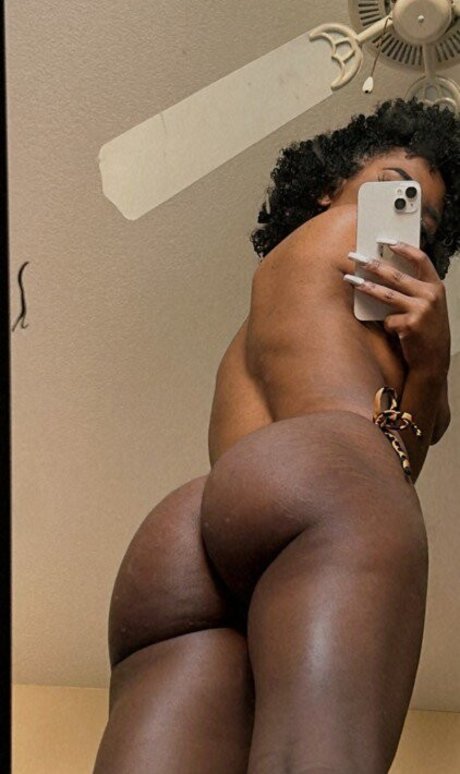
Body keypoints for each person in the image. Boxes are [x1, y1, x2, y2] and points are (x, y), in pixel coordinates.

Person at [94, 98, 460, 774]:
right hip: (324, 487)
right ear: (329, 189)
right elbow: (403, 453)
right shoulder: (357, 248)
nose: (406, 227)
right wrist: (434, 359)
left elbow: (393, 457)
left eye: (424, 226)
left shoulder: (259, 315)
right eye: (394, 193)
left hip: (185, 535)